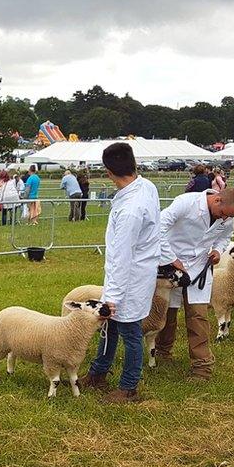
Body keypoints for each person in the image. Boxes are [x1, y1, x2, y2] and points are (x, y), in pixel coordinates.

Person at [78, 142, 161, 403]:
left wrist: (111, 297)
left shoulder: (130, 210)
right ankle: (98, 372)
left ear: (109, 172)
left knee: (129, 332)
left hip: (130, 278)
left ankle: (129, 387)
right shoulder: (145, 186)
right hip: (134, 272)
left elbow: (121, 256)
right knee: (109, 328)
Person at [156, 187, 234, 380]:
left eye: (228, 217)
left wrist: (218, 250)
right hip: (171, 265)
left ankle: (202, 367)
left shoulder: (226, 216)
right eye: (223, 214)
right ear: (217, 200)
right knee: (167, 311)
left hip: (199, 267)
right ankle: (163, 353)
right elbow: (158, 227)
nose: (224, 219)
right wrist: (171, 258)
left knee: (198, 315)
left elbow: (225, 236)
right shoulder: (186, 203)